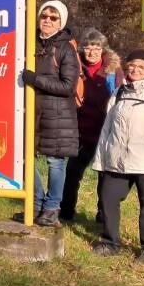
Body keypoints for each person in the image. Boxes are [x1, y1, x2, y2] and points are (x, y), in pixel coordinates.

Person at [91, 50, 144, 264]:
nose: (135, 70)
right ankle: (110, 242)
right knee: (108, 199)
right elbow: (107, 130)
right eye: (132, 65)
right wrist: (100, 161)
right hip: (117, 161)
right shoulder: (119, 92)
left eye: (141, 66)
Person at [19, 0, 80, 226]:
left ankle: (52, 207)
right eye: (44, 16)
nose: (47, 20)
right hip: (32, 113)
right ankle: (35, 204)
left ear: (60, 22)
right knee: (25, 158)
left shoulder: (66, 49)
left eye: (53, 18)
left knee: (55, 163)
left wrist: (36, 80)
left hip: (58, 116)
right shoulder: (29, 42)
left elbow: (68, 87)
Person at [60, 28, 124, 222]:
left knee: (105, 177)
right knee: (72, 174)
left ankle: (103, 214)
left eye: (96, 48)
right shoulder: (75, 67)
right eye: (88, 47)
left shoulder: (114, 71)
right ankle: (66, 211)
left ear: (103, 49)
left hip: (105, 132)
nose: (92, 52)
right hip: (80, 131)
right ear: (82, 49)